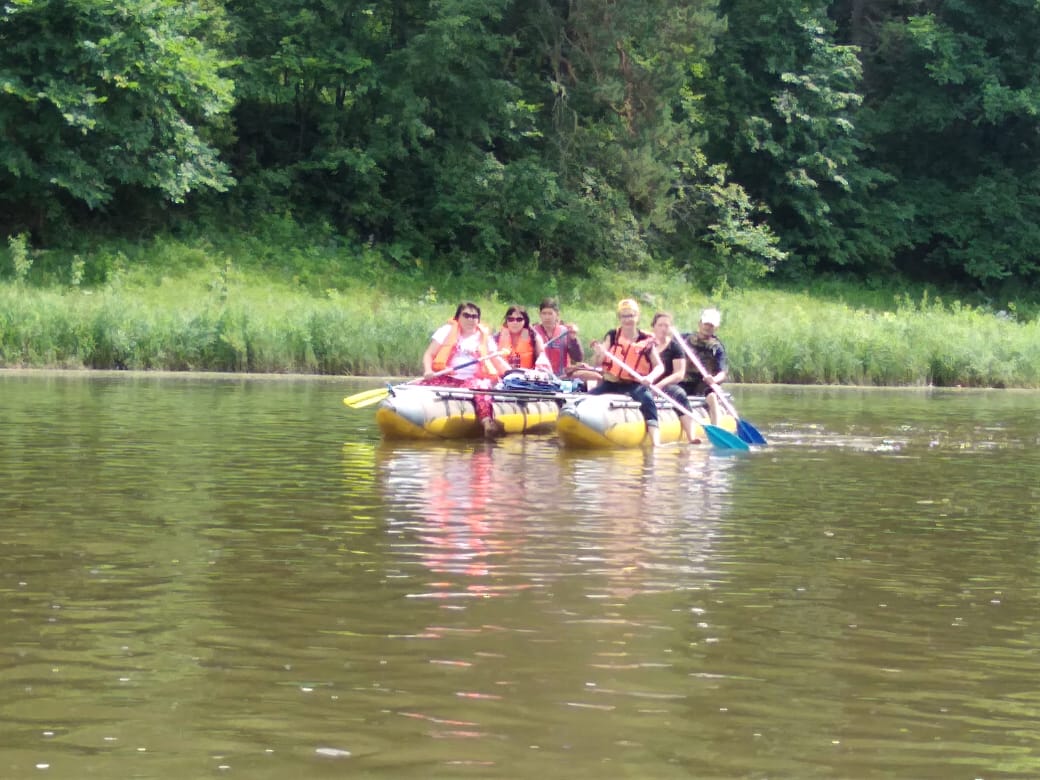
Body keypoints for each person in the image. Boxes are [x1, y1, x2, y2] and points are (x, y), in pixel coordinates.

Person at [421, 302, 511, 438]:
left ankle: (487, 423)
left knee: (481, 387)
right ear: (458, 317)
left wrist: (512, 374)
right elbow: (429, 354)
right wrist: (428, 370)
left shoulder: (485, 337)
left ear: (478, 320)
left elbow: (496, 360)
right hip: (448, 377)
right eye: (466, 315)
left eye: (474, 316)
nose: (470, 319)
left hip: (474, 380)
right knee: (419, 385)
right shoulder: (446, 331)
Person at [589, 298, 665, 446]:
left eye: (631, 315)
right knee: (589, 397)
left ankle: (655, 441)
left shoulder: (646, 340)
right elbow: (597, 362)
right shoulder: (612, 335)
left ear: (637, 316)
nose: (628, 319)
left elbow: (659, 367)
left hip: (634, 384)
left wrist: (650, 378)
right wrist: (599, 353)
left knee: (647, 400)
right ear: (619, 318)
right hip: (611, 382)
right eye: (624, 316)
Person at [650, 311, 697, 443]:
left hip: (667, 385)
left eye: (666, 326)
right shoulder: (646, 345)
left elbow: (679, 374)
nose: (663, 329)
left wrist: (660, 385)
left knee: (679, 394)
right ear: (653, 327)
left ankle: (691, 436)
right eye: (660, 325)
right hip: (647, 383)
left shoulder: (675, 347)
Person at [680, 307, 728, 427]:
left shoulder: (717, 348)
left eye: (711, 325)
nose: (708, 327)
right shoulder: (685, 339)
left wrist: (714, 380)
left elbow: (722, 372)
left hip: (704, 383)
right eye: (706, 324)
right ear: (700, 323)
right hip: (684, 380)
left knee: (711, 394)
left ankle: (716, 426)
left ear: (716, 328)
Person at [532, 297, 585, 378]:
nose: (547, 317)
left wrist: (574, 339)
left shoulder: (565, 332)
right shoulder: (533, 332)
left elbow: (578, 358)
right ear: (540, 314)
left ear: (557, 314)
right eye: (544, 313)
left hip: (562, 378)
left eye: (550, 313)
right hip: (539, 378)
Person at [495, 305, 553, 372]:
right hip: (503, 377)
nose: (515, 322)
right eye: (511, 319)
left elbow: (542, 359)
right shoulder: (496, 338)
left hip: (527, 376)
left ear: (525, 321)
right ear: (507, 321)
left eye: (519, 319)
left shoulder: (534, 337)